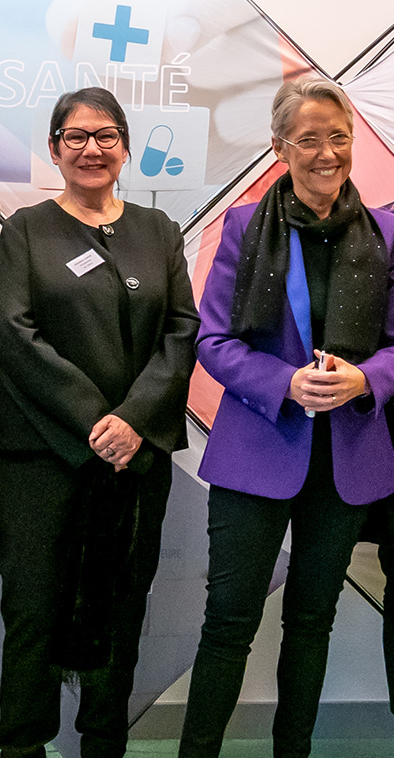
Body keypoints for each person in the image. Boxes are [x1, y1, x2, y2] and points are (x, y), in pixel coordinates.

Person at [180, 76, 394, 757]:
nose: (326, 152)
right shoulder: (243, 225)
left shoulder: (387, 231)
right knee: (228, 623)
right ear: (280, 147)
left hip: (348, 458)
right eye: (309, 139)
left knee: (312, 623)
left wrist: (366, 376)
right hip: (258, 451)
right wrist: (284, 382)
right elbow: (212, 340)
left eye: (339, 137)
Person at [0, 87, 199, 758]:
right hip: (42, 458)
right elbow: (12, 332)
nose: (91, 149)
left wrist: (132, 422)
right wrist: (93, 420)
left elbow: (181, 330)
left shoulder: (159, 232)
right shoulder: (23, 230)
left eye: (105, 136)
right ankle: (24, 746)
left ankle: (104, 744)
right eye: (75, 137)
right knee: (32, 613)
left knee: (119, 607)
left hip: (134, 460)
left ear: (126, 148)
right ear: (54, 149)